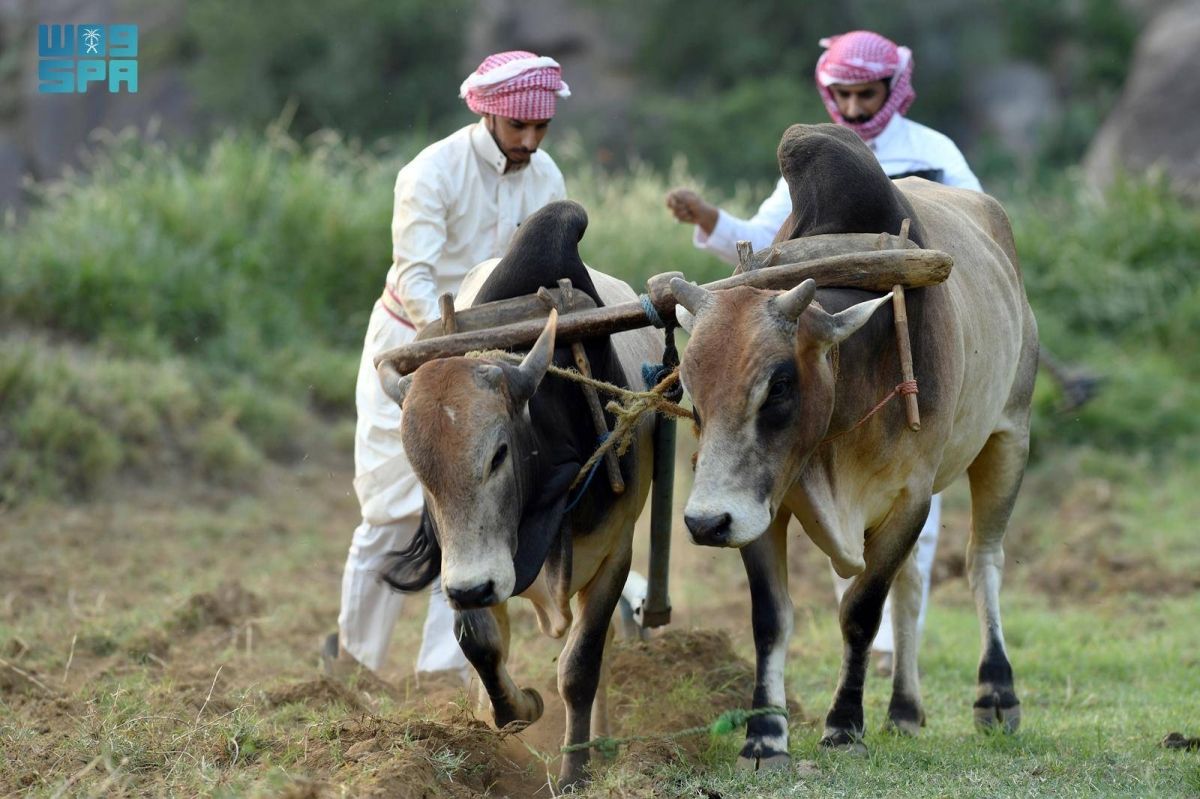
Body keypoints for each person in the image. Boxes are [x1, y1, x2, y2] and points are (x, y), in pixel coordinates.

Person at [666, 30, 978, 675]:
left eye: (867, 94)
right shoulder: (807, 174)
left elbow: (965, 242)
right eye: (844, 95)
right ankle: (871, 646)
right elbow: (764, 246)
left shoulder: (934, 154)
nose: (857, 108)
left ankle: (897, 651)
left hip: (913, 342)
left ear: (894, 90)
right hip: (832, 353)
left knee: (906, 507)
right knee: (840, 493)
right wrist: (709, 222)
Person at [323, 50, 570, 685]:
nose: (531, 141)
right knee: (389, 511)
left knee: (474, 510)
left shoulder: (548, 179)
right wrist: (448, 354)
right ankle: (353, 663)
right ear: (488, 114)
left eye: (541, 129)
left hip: (493, 371)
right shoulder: (430, 172)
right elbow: (416, 278)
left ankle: (443, 669)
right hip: (410, 353)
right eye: (519, 128)